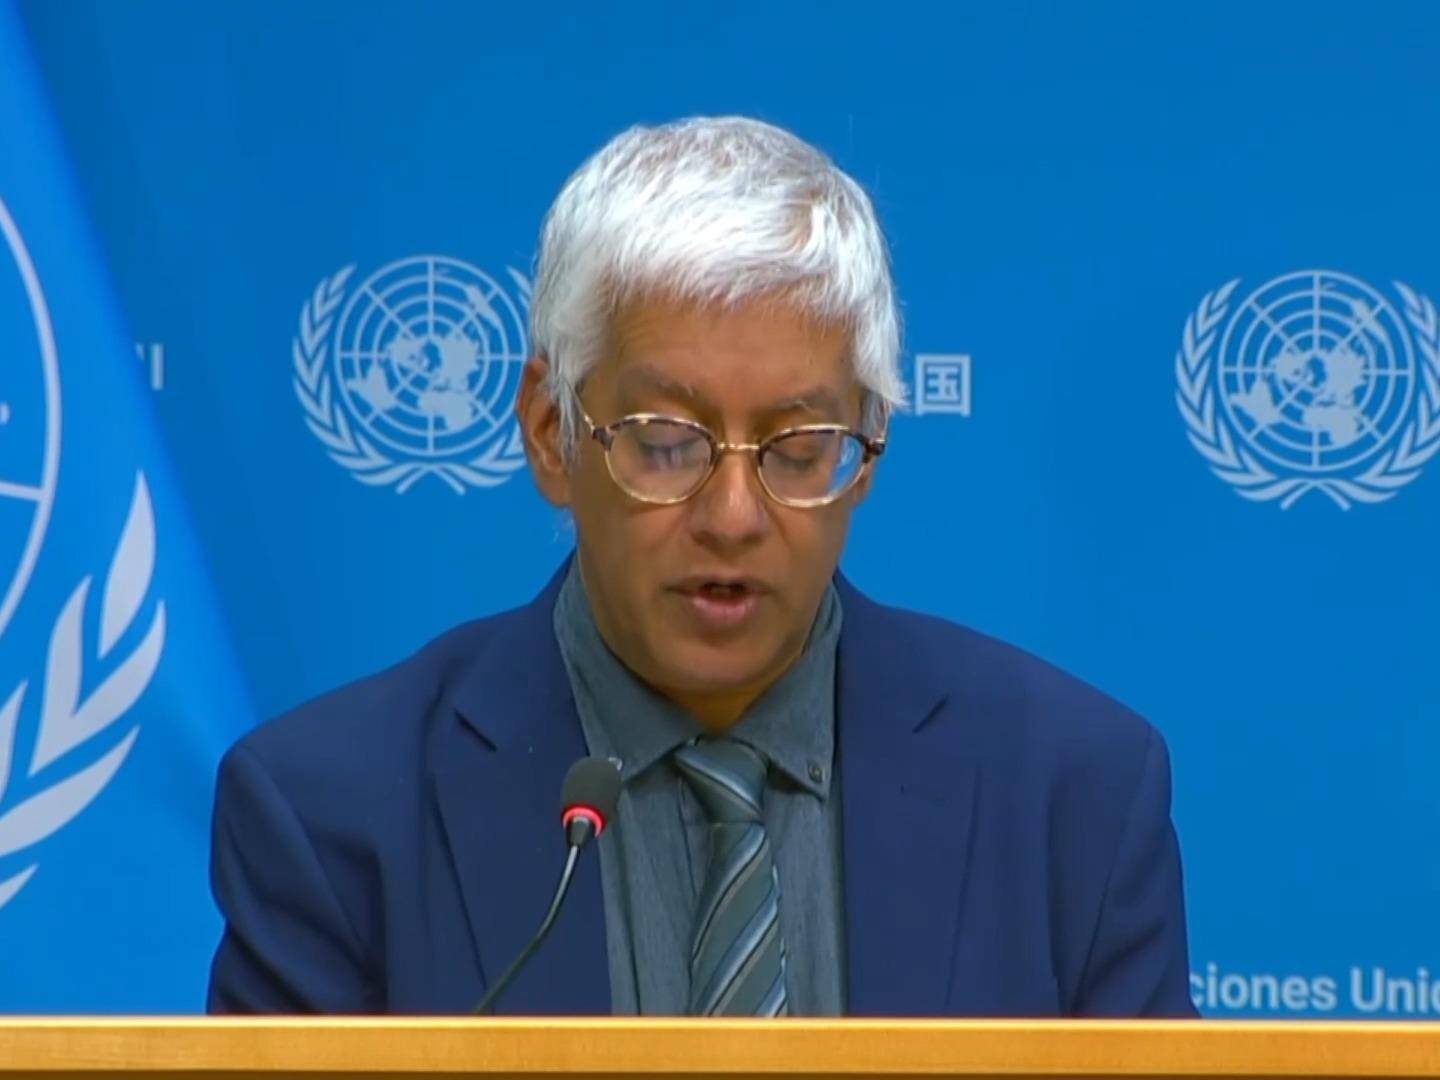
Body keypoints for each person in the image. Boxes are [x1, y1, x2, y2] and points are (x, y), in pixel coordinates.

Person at [207, 116, 1196, 1017]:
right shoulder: (334, 814)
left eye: (799, 447)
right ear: (552, 434)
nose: (732, 517)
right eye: (667, 442)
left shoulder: (1073, 795)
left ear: (865, 451)